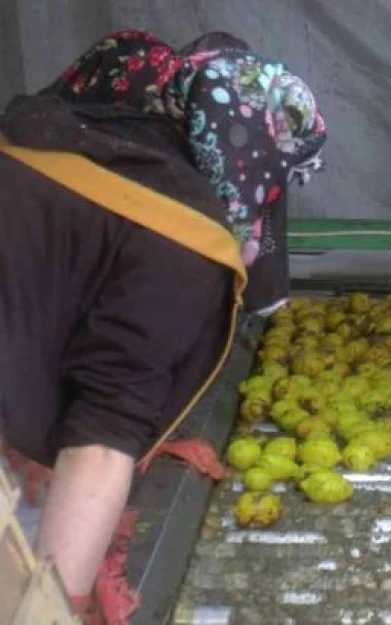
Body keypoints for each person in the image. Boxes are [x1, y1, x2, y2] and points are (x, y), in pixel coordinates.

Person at [0, 29, 327, 616]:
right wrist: (56, 607)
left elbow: (35, 309)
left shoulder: (35, 145)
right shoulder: (182, 237)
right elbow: (101, 437)